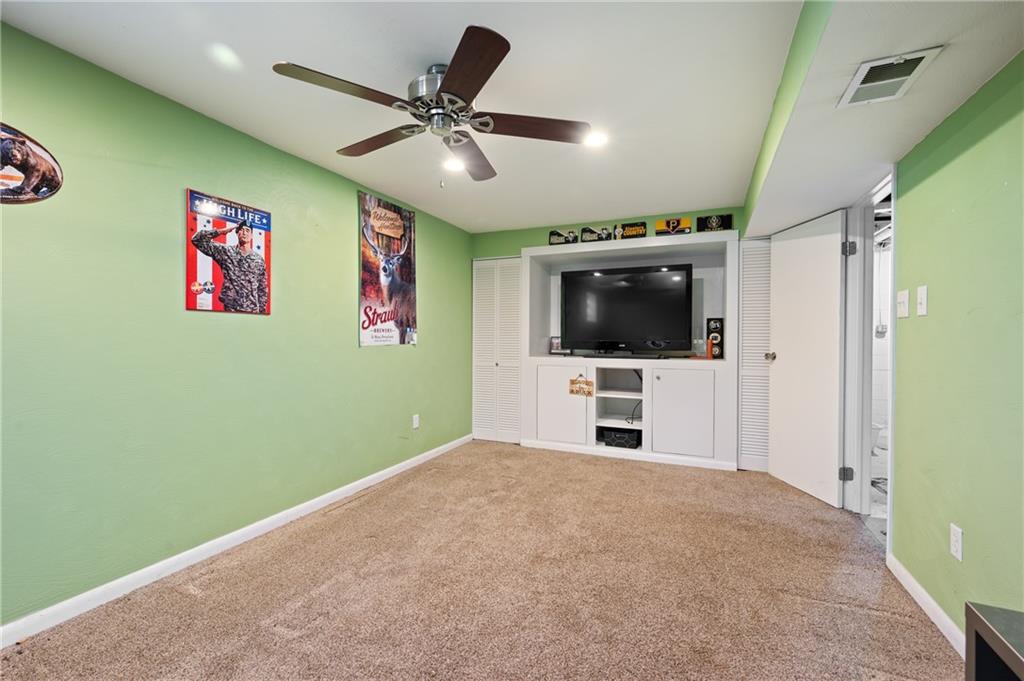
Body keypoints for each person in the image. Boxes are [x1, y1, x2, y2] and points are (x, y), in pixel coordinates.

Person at [191, 219, 268, 314]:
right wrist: (220, 231)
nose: (244, 233)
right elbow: (197, 240)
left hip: (252, 310)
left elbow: (262, 289)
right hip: (231, 309)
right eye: (241, 230)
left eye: (248, 230)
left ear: (251, 235)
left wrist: (262, 313)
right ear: (237, 233)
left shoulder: (259, 260)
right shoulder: (225, 252)